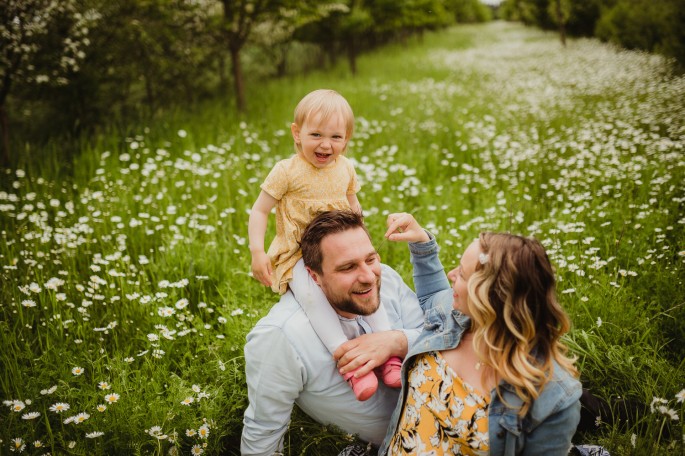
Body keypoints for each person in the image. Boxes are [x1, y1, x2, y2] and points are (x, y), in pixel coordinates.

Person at [378, 212, 582, 455]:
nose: (452, 275)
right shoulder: (457, 319)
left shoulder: (553, 400)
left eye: (462, 274)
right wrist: (421, 243)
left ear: (489, 297)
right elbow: (434, 295)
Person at [248, 89, 401, 400]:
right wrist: (257, 251)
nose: (325, 144)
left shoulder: (344, 168)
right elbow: (259, 209)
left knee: (369, 286)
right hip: (299, 253)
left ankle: (389, 355)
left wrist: (361, 243)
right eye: (315, 134)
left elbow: (353, 204)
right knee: (312, 298)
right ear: (296, 132)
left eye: (335, 136)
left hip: (339, 248)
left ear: (346, 140)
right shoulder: (287, 171)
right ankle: (351, 365)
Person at [241, 210, 425, 455]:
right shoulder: (281, 337)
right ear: (313, 276)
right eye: (347, 268)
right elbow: (262, 438)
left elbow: (445, 341)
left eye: (370, 259)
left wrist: (397, 341)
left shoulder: (387, 280)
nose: (369, 277)